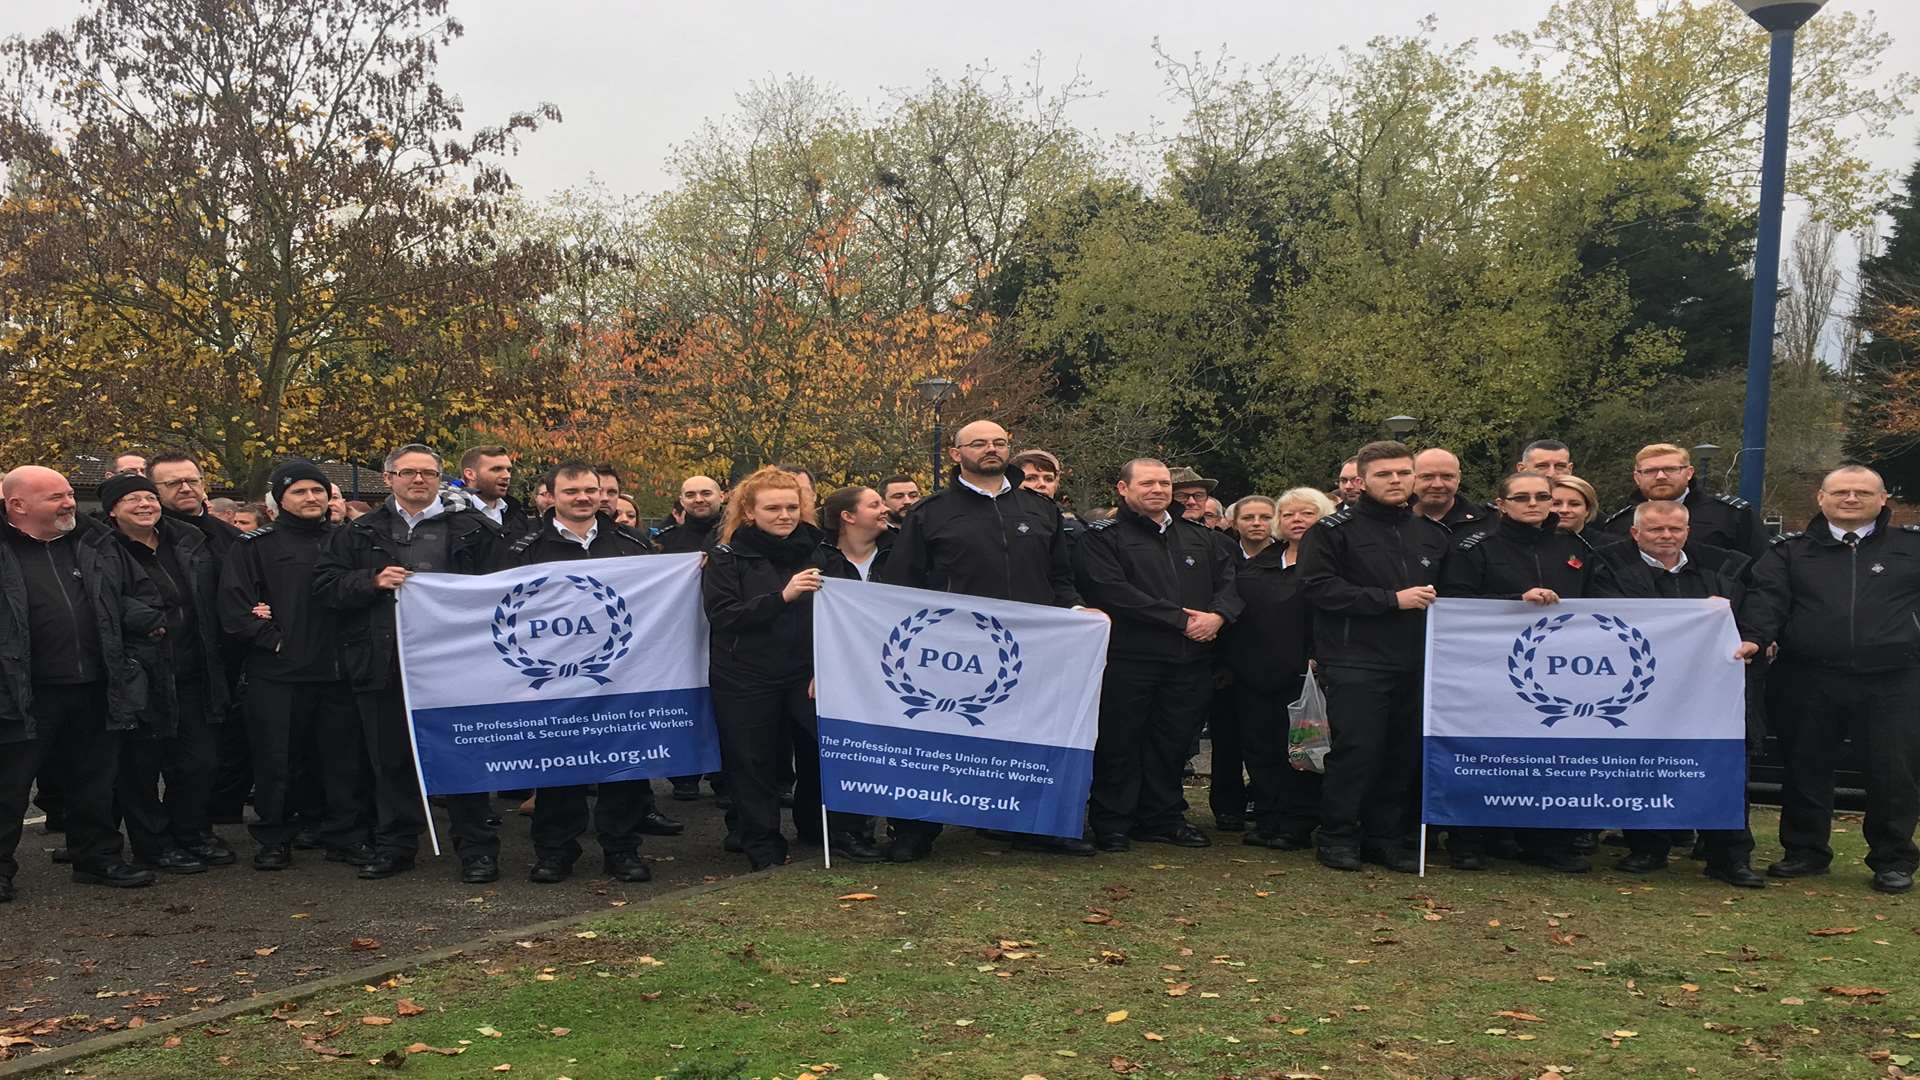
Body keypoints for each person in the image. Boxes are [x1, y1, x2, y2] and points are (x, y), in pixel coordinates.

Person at [881, 419, 1090, 860]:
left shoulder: (1040, 510)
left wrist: (1076, 612)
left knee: (1028, 733)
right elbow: (901, 586)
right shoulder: (930, 512)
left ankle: (1031, 824)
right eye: (978, 443)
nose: (990, 449)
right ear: (956, 454)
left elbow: (1060, 578)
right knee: (938, 736)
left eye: (998, 442)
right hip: (954, 651)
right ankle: (916, 829)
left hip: (1031, 648)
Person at [313, 444, 501, 883]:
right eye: (408, 473)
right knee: (390, 759)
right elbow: (325, 586)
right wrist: (371, 581)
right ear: (389, 478)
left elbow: (502, 588)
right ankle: (396, 845)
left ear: (442, 479)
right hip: (382, 660)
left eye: (428, 473)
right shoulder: (359, 532)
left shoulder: (473, 529)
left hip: (457, 665)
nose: (419, 480)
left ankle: (476, 849)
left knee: (462, 757)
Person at [1737, 465, 1920, 894]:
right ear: (1821, 498)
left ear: (1882, 500)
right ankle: (1805, 852)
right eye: (1840, 492)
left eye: (1861, 492)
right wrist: (1754, 638)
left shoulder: (1912, 547)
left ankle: (1893, 859)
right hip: (1808, 676)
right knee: (1805, 765)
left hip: (1895, 678)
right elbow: (1767, 599)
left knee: (1894, 771)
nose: (1850, 499)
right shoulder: (1790, 551)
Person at [0, 466, 162, 899]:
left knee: (95, 781)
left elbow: (137, 595)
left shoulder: (96, 544)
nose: (70, 503)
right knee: (9, 788)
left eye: (70, 494)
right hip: (21, 691)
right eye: (56, 497)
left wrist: (144, 631)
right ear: (17, 505)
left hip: (96, 685)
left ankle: (97, 859)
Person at [703, 467, 878, 868]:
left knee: (825, 751)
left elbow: (845, 616)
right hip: (743, 674)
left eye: (791, 506)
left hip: (807, 671)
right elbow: (724, 614)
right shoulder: (727, 556)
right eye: (773, 508)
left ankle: (824, 830)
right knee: (753, 761)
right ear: (749, 512)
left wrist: (827, 666)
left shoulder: (820, 551)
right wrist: (782, 596)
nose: (784, 515)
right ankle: (762, 842)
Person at [496, 462, 659, 884]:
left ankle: (622, 850)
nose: (584, 498)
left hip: (621, 674)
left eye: (592, 490)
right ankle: (554, 852)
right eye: (572, 491)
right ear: (550, 495)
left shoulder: (632, 543)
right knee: (557, 767)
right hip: (551, 678)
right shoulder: (520, 547)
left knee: (622, 765)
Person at [1589, 500, 1763, 888]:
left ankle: (1730, 856)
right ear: (1635, 534)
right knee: (1645, 765)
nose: (1666, 536)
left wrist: (1748, 635)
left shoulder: (1725, 570)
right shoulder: (1607, 570)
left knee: (1722, 769)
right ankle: (1648, 848)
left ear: (1687, 532)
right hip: (1643, 690)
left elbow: (1756, 612)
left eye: (1675, 530)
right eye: (1655, 530)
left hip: (1712, 690)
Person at [1297, 440, 1453, 873]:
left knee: (1401, 753)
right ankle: (1338, 835)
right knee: (1358, 749)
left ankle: (1386, 838)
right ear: (1362, 481)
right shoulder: (1332, 531)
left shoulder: (1433, 535)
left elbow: (1459, 595)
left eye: (1404, 473)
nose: (1396, 481)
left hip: (1416, 660)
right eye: (1385, 474)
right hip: (1355, 659)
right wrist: (1389, 600)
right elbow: (1316, 588)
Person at [1075, 458, 1242, 850]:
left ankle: (1162, 817)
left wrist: (1219, 616)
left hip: (1190, 661)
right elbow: (1111, 591)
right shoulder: (1102, 538)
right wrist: (1180, 620)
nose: (1157, 490)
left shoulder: (1200, 538)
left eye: (1164, 484)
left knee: (1173, 742)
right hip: (1130, 659)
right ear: (1123, 488)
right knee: (1120, 741)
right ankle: (1113, 821)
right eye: (1147, 483)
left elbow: (1232, 583)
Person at [1436, 471, 1594, 873]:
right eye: (1521, 497)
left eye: (1543, 497)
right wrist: (1514, 602)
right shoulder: (1475, 547)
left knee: (1550, 756)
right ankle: (1469, 839)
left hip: (1559, 671)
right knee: (1483, 753)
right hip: (1487, 668)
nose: (1534, 504)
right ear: (1501, 504)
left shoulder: (1574, 548)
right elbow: (1454, 602)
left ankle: (1548, 842)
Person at [219, 460, 371, 872]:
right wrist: (277, 641)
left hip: (340, 671)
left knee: (343, 762)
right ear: (280, 500)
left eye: (318, 491)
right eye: (300, 492)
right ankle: (274, 837)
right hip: (279, 674)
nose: (311, 498)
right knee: (277, 760)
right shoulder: (254, 546)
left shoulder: (350, 541)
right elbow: (235, 609)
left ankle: (343, 835)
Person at [100, 473, 233, 875]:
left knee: (201, 762)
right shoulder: (99, 550)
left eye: (149, 497)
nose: (144, 505)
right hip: (139, 675)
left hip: (193, 669)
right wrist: (138, 615)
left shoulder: (188, 542)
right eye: (131, 500)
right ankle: (153, 844)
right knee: (141, 768)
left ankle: (190, 831)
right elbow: (95, 598)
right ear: (112, 510)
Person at [1219, 489, 1331, 849]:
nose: (1297, 520)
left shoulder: (1331, 564)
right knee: (1260, 748)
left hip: (1305, 675)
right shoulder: (1260, 564)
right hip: (1254, 674)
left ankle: (1297, 822)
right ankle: (1268, 816)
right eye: (1289, 514)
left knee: (1300, 752)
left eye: (1307, 513)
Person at [1600, 444, 1766, 558]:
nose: (1660, 476)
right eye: (1650, 471)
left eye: (1671, 469)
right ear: (1637, 477)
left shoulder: (1731, 516)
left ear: (1689, 473)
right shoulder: (1618, 524)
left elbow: (1761, 572)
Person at [148, 452, 244, 558]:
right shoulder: (146, 537)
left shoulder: (232, 537)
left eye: (192, 481)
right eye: (173, 483)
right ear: (153, 489)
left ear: (202, 484)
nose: (186, 489)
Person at [817, 486, 891, 582]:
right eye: (875, 505)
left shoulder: (900, 552)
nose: (886, 509)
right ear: (848, 516)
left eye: (883, 504)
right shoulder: (818, 560)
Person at [455, 445, 529, 535]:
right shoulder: (452, 515)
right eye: (497, 469)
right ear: (470, 474)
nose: (507, 476)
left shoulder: (517, 514)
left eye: (508, 470)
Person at [1412, 448, 1488, 534]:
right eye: (1427, 477)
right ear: (1411, 477)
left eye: (1447, 476)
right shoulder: (1396, 525)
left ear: (1459, 478)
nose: (1438, 485)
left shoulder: (1489, 524)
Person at [655, 475, 726, 555]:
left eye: (706, 494)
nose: (699, 500)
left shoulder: (739, 535)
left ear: (721, 497)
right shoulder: (665, 540)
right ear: (682, 501)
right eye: (690, 495)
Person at [1550, 475, 1603, 547]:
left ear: (1588, 509)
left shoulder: (1610, 546)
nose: (1564, 510)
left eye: (1574, 504)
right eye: (1556, 504)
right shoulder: (1531, 545)